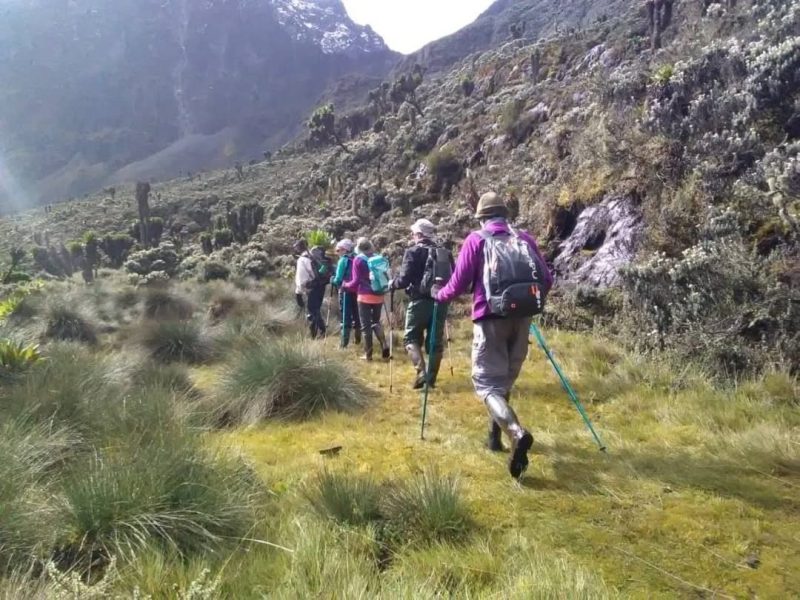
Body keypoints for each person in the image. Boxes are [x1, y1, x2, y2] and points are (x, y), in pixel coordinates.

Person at [434, 192, 553, 479]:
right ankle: (494, 438)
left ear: (482, 217)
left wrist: (440, 295)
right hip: (523, 317)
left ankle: (515, 432)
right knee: (504, 379)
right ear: (504, 215)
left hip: (489, 318)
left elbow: (459, 282)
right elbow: (546, 279)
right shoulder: (524, 238)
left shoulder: (477, 240)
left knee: (487, 384)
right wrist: (524, 303)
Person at [391, 218, 453, 389]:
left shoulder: (413, 251)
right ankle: (431, 380)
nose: (412, 235)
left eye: (413, 233)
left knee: (410, 338)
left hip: (418, 300)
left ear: (418, 234)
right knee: (435, 341)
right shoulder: (444, 252)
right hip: (440, 301)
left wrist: (392, 284)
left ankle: (421, 373)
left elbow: (404, 280)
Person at [343, 237, 390, 361]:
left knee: (365, 326)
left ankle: (368, 354)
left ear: (358, 248)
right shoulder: (378, 257)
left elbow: (355, 281)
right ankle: (384, 344)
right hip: (379, 294)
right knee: (376, 322)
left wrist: (345, 285)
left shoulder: (358, 260)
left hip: (364, 295)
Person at [294, 239, 328, 339]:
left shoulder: (302, 260)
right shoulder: (313, 257)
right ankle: (321, 331)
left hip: (311, 288)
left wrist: (298, 293)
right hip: (321, 285)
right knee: (316, 309)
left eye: (296, 247)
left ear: (299, 247)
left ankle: (315, 335)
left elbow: (301, 279)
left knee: (312, 311)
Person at [331, 238, 361, 348]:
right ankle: (358, 340)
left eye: (339, 250)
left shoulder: (343, 261)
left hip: (345, 291)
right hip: (358, 291)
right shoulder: (358, 258)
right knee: (357, 315)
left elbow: (338, 279)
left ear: (345, 250)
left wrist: (332, 280)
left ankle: (343, 344)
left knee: (345, 317)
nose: (337, 252)